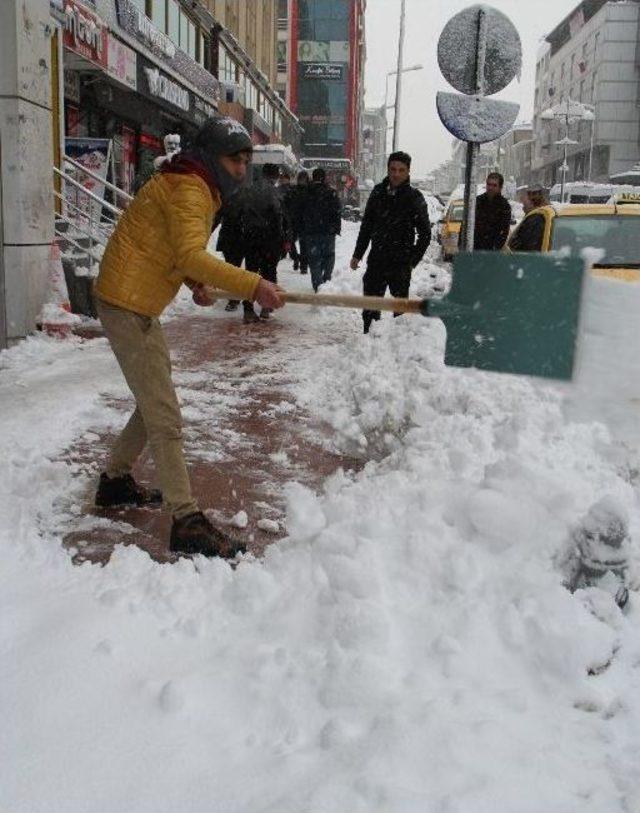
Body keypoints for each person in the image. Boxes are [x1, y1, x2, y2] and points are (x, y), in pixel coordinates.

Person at [93, 116, 284, 558]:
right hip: (127, 302)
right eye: (234, 160)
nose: (241, 169)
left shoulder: (192, 184)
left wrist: (191, 281)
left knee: (153, 402)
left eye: (246, 160)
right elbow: (189, 253)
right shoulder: (190, 188)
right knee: (164, 416)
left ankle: (115, 482)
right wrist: (253, 285)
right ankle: (186, 520)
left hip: (133, 298)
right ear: (211, 158)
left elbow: (163, 247)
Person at [350, 151, 431, 333]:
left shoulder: (414, 198)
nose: (396, 174)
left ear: (408, 172)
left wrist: (412, 261)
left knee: (400, 312)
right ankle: (368, 342)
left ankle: (397, 348)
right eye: (393, 169)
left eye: (401, 170)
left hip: (400, 263)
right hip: (377, 260)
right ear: (388, 169)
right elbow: (367, 226)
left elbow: (425, 234)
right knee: (370, 307)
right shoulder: (378, 192)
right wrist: (357, 254)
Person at [238, 163, 287, 322]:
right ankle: (266, 306)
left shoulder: (249, 190)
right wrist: (281, 240)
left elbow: (240, 213)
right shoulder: (274, 192)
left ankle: (247, 309)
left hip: (250, 238)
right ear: (274, 176)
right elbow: (278, 217)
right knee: (269, 272)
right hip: (269, 240)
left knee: (250, 273)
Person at [299, 167, 342, 292]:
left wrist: (302, 228)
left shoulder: (306, 192)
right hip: (328, 232)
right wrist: (336, 228)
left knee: (314, 258)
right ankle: (326, 278)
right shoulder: (331, 193)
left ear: (313, 178)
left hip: (311, 232)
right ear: (324, 178)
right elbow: (337, 212)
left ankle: (317, 284)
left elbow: (300, 212)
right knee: (329, 256)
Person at [507, 185, 553, 252]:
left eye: (524, 205)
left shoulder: (534, 221)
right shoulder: (549, 215)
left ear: (532, 203)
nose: (522, 208)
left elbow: (517, 247)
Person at [473, 171, 512, 250]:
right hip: (475, 248)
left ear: (500, 187)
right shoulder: (477, 201)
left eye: (494, 185)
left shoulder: (504, 206)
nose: (490, 188)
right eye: (489, 184)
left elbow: (504, 231)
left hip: (492, 251)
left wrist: (495, 248)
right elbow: (467, 224)